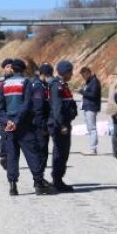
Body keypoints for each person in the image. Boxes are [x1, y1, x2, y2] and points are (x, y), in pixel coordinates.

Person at [0, 59, 53, 196]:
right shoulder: (26, 82)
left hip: (9, 125)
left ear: (12, 69)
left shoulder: (3, 84)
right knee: (32, 153)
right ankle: (38, 183)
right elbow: (27, 104)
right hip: (24, 124)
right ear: (23, 70)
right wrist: (17, 121)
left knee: (12, 155)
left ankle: (13, 185)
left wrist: (8, 121)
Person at [48, 60, 78, 192]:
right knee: (60, 152)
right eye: (70, 71)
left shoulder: (62, 85)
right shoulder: (57, 86)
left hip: (65, 123)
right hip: (60, 125)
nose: (72, 74)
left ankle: (59, 179)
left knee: (63, 152)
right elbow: (57, 108)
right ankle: (57, 180)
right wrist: (62, 125)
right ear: (65, 72)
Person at [25, 63, 54, 180]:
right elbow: (38, 109)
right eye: (48, 75)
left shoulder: (43, 85)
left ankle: (40, 178)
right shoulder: (38, 86)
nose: (50, 77)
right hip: (38, 125)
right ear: (43, 74)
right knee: (41, 153)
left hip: (39, 124)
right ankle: (39, 179)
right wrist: (43, 128)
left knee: (42, 153)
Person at [79, 67, 102, 155]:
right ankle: (92, 147)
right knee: (89, 128)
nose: (83, 77)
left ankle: (93, 148)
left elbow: (93, 95)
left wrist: (82, 92)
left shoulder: (94, 82)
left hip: (91, 107)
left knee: (92, 128)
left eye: (84, 75)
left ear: (88, 73)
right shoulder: (90, 82)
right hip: (87, 106)